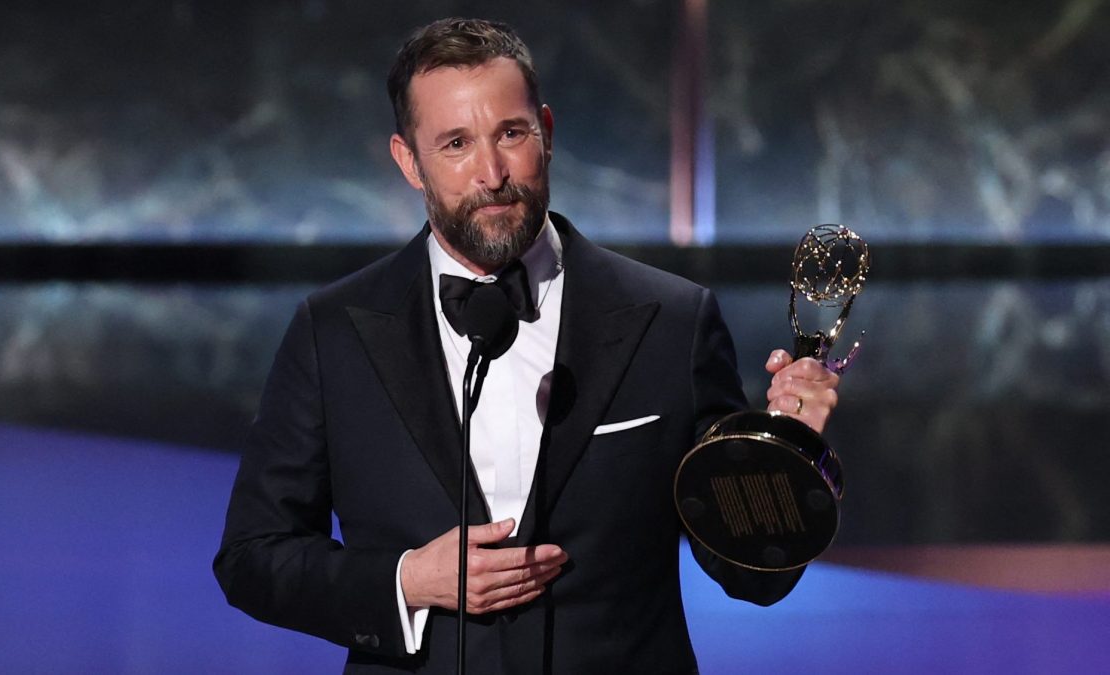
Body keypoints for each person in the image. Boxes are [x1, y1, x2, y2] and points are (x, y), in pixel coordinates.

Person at [214, 17, 840, 674]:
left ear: (546, 130)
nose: (491, 173)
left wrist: (787, 456)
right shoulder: (334, 329)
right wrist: (406, 581)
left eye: (510, 134)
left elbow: (753, 578)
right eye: (455, 143)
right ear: (408, 161)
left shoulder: (671, 320)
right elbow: (253, 556)